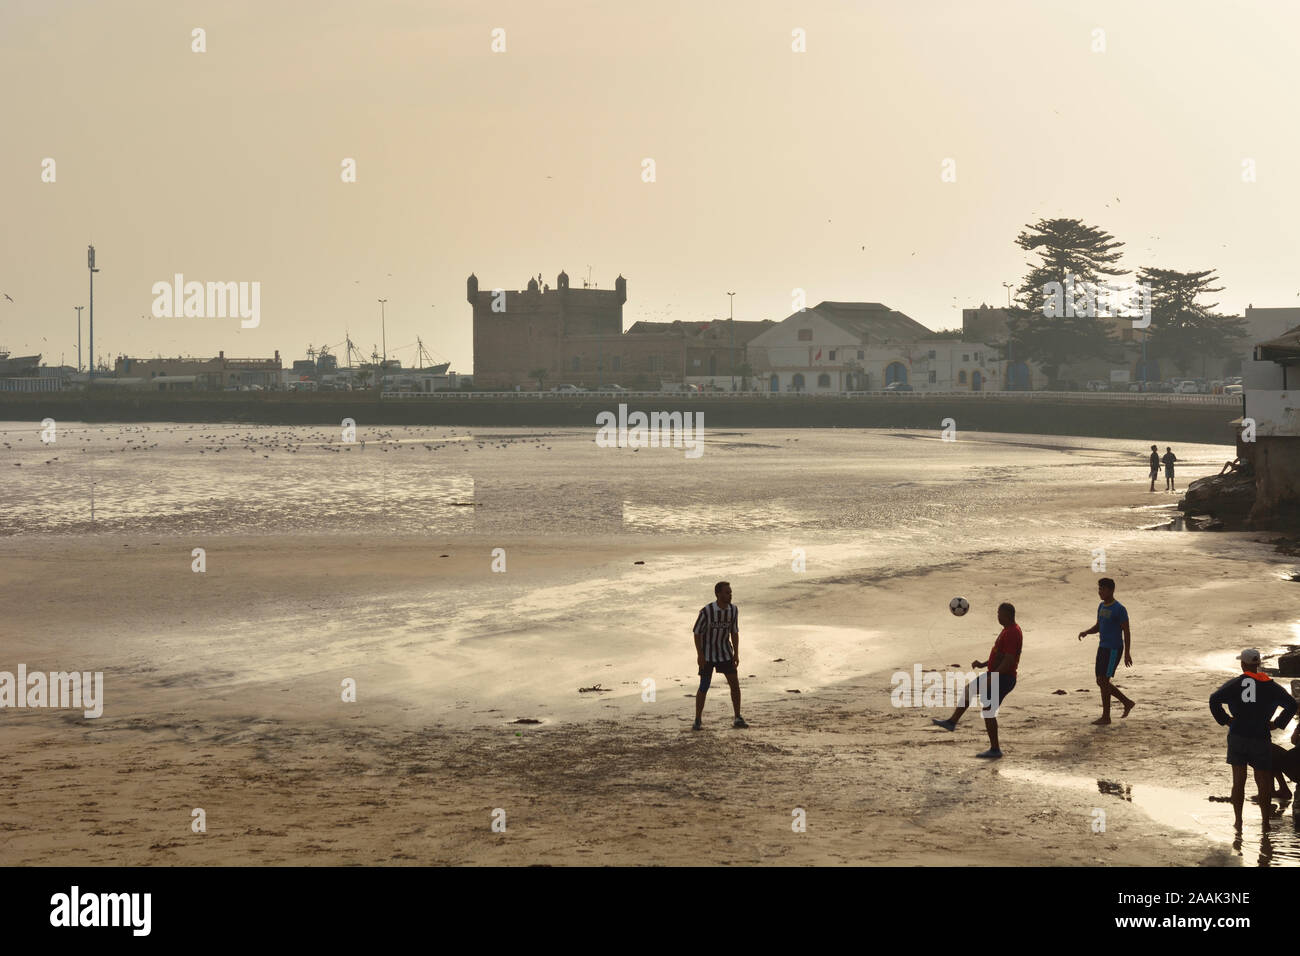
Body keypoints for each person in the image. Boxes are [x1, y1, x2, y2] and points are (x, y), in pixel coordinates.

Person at [1209, 649, 1298, 833]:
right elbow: (1292, 704)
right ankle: (1265, 823)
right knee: (1263, 781)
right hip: (1261, 736)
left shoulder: (1235, 683)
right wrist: (1278, 724)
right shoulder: (1271, 686)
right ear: (1258, 665)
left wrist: (1226, 719)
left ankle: (1238, 821)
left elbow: (1214, 699)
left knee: (1238, 781)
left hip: (1238, 735)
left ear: (1242, 664)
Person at [931, 602, 1022, 759]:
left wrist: (992, 678)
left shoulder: (1013, 632)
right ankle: (952, 722)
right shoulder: (1008, 630)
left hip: (1003, 678)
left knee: (988, 711)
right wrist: (983, 664)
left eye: (999, 613)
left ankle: (995, 749)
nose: (997, 616)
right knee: (970, 690)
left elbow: (1008, 660)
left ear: (1006, 615)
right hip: (997, 675)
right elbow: (1000, 655)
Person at [1077, 577, 1134, 724]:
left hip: (1114, 649)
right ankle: (1126, 702)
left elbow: (1126, 632)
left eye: (1103, 589)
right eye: (1099, 589)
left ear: (1111, 590)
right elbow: (1098, 626)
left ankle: (1106, 716)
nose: (1100, 592)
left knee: (1104, 680)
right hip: (1102, 648)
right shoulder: (1101, 606)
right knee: (1100, 681)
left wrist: (1127, 653)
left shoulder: (1119, 609)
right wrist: (1086, 632)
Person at [693, 581, 747, 730]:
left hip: (725, 653)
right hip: (708, 655)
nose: (730, 595)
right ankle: (697, 719)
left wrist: (736, 653)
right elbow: (697, 632)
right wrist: (700, 655)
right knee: (704, 686)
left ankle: (737, 717)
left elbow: (734, 632)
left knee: (734, 685)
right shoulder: (707, 611)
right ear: (718, 594)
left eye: (730, 592)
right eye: (727, 592)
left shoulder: (733, 610)